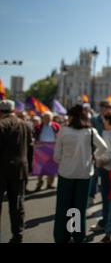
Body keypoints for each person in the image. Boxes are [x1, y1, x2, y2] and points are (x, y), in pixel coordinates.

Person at [53, 104, 108, 243]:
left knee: (63, 208)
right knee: (79, 208)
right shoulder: (90, 131)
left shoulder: (64, 131)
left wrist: (65, 160)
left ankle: (62, 236)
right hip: (84, 174)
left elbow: (56, 156)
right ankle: (78, 236)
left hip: (66, 174)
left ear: (71, 117)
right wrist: (93, 157)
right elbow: (104, 147)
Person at [0, 100, 33, 243]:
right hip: (20, 169)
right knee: (18, 204)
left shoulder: (2, 124)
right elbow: (30, 148)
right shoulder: (26, 125)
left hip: (1, 168)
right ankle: (18, 234)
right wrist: (29, 167)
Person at [89, 100, 111, 231]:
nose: (107, 110)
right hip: (99, 154)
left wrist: (100, 159)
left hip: (107, 162)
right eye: (105, 108)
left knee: (108, 193)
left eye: (109, 108)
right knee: (95, 178)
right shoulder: (95, 120)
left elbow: (109, 149)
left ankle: (108, 222)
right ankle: (92, 195)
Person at [33, 111, 60, 191]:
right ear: (43, 118)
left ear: (51, 118)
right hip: (41, 149)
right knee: (40, 167)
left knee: (51, 167)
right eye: (45, 118)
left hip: (53, 148)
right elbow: (34, 136)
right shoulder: (38, 127)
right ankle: (39, 183)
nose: (47, 119)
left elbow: (60, 136)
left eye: (49, 118)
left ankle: (49, 183)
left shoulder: (56, 126)